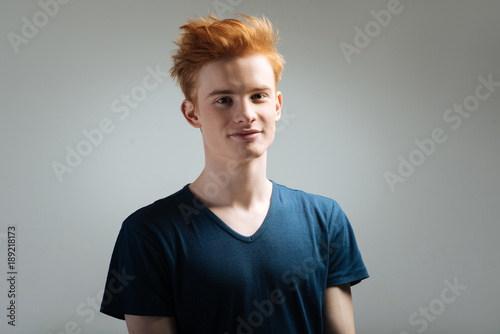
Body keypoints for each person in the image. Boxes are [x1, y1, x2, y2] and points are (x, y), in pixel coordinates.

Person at [100, 14, 368, 334]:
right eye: (224, 100)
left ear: (277, 105)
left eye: (258, 96)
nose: (246, 115)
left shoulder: (325, 219)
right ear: (192, 112)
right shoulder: (147, 233)